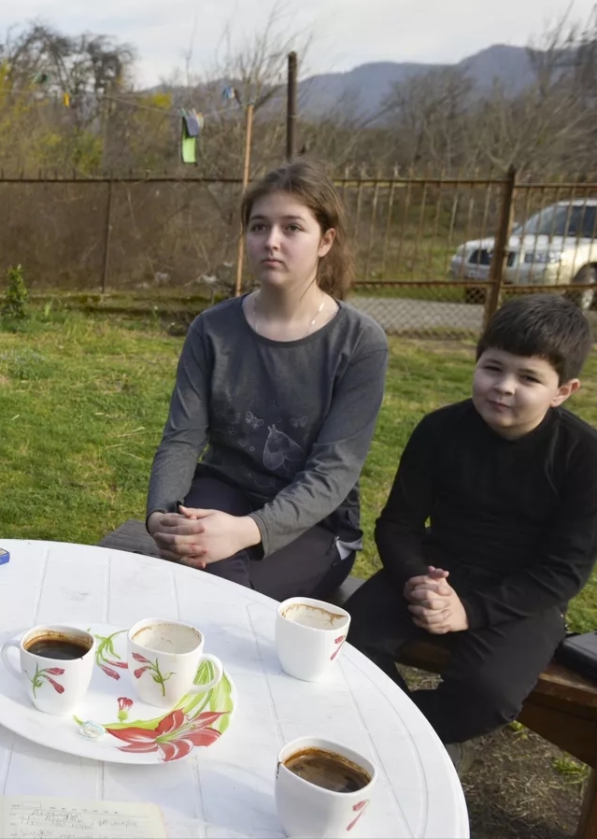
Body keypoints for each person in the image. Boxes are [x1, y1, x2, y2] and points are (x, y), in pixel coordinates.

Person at [348, 294, 597, 753]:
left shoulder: (583, 456)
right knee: (347, 641)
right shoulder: (440, 429)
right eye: (493, 367)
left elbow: (565, 570)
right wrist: (417, 580)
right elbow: (397, 524)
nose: (503, 386)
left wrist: (470, 611)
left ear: (563, 391)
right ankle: (372, 736)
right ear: (477, 360)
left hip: (524, 592)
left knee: (488, 692)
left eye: (528, 378)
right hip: (436, 569)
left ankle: (392, 745)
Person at [146, 159, 389, 601]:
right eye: (259, 227)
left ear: (325, 240)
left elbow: (332, 472)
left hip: (316, 523)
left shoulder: (360, 343)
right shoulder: (212, 329)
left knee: (227, 596)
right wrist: (160, 514)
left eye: (292, 228)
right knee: (199, 568)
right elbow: (182, 438)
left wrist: (249, 530)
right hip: (224, 490)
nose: (271, 241)